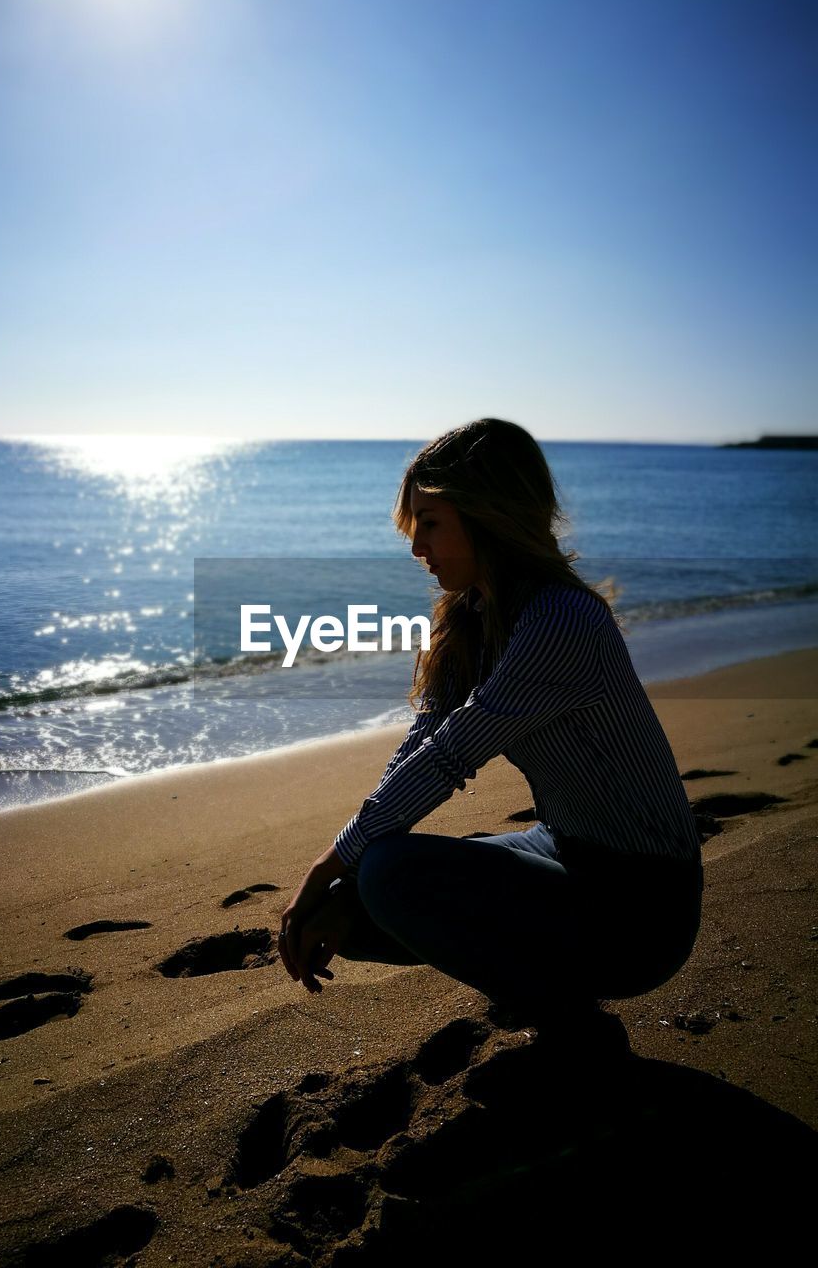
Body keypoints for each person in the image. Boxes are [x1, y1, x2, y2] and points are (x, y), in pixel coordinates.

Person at [278, 419, 704, 1060]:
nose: (417, 547)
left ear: (490, 514)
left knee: (385, 873)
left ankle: (573, 1025)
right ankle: (541, 985)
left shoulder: (561, 619)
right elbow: (421, 747)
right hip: (564, 848)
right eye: (413, 525)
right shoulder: (476, 615)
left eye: (431, 523)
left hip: (643, 907)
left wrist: (330, 860)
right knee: (362, 880)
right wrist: (343, 868)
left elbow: (451, 757)